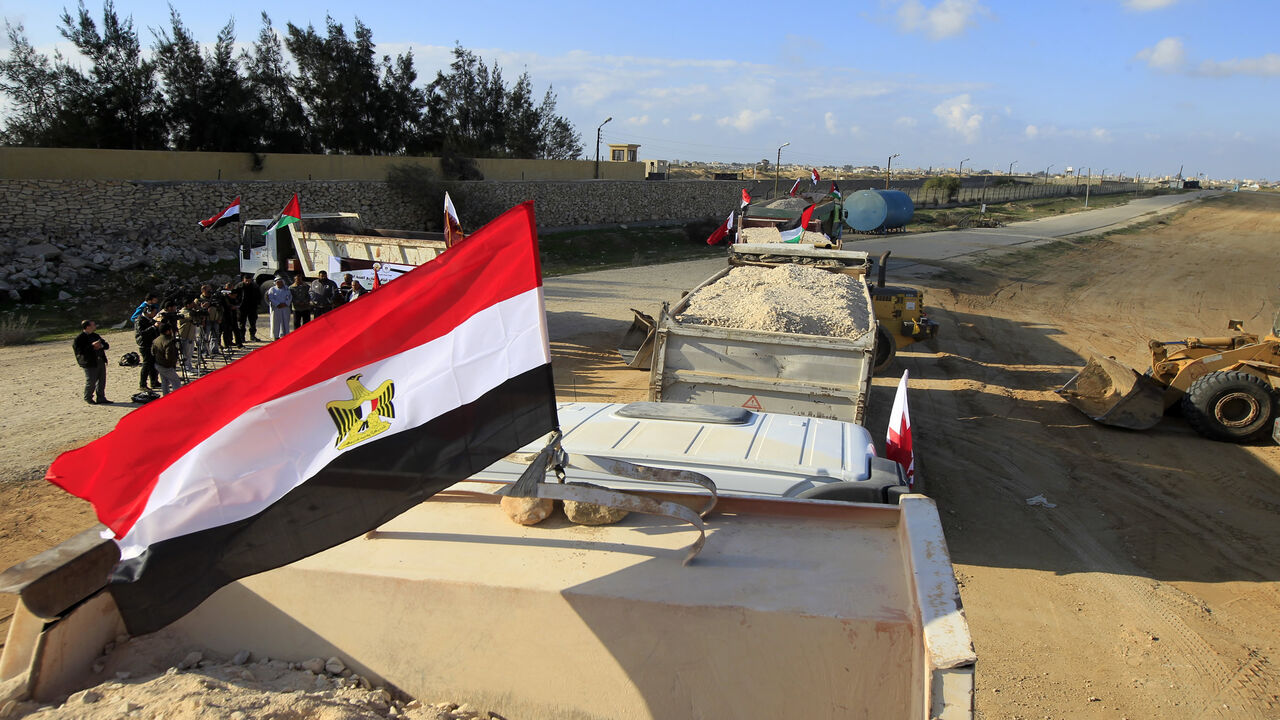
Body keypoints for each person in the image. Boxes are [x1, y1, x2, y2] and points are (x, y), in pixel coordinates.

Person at [73, 320, 110, 404]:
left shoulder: (95, 335)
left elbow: (106, 345)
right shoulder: (79, 338)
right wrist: (92, 346)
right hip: (89, 362)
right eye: (93, 325)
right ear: (87, 327)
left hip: (100, 360)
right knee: (91, 381)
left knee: (102, 380)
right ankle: (88, 397)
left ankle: (101, 398)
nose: (95, 326)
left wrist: (101, 345)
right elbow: (79, 351)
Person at [134, 306, 161, 391]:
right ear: (148, 312)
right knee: (146, 364)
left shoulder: (150, 320)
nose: (154, 314)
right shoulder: (140, 320)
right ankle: (142, 384)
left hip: (152, 344)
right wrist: (153, 327)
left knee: (153, 364)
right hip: (144, 345)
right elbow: (142, 333)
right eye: (153, 312)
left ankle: (154, 381)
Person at [152, 322, 184, 395]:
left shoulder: (156, 340)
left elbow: (152, 352)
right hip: (166, 365)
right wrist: (172, 364)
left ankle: (165, 396)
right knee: (176, 381)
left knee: (165, 382)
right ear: (167, 331)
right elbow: (169, 356)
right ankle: (177, 397)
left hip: (158, 364)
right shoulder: (168, 342)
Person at [238, 275, 262, 342]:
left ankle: (252, 336)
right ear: (243, 280)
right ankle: (242, 337)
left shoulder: (255, 286)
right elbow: (235, 295)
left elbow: (259, 296)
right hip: (242, 308)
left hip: (252, 307)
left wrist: (258, 305)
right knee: (242, 323)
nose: (248, 282)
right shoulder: (239, 286)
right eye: (246, 281)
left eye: (249, 280)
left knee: (252, 323)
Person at [177, 297, 197, 373]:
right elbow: (186, 317)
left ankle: (189, 366)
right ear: (188, 305)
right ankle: (186, 369)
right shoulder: (182, 312)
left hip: (191, 335)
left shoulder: (192, 311)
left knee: (190, 353)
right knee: (185, 353)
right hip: (184, 335)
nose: (193, 305)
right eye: (192, 303)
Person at [221, 283, 244, 348]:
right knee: (226, 331)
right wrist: (230, 307)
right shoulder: (224, 297)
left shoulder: (234, 297)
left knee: (236, 330)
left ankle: (239, 343)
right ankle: (227, 344)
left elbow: (237, 303)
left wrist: (235, 307)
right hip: (226, 316)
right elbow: (224, 307)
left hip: (233, 316)